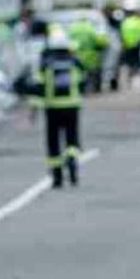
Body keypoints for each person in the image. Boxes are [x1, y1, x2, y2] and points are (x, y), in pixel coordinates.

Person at [30, 29, 84, 188]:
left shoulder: (46, 64)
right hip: (72, 106)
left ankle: (57, 177)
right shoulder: (75, 61)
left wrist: (33, 110)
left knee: (53, 142)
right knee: (72, 138)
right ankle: (72, 160)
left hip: (52, 108)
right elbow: (83, 81)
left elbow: (38, 88)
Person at [118, 10, 140, 86]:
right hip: (138, 45)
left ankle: (130, 76)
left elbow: (121, 32)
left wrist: (123, 42)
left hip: (127, 44)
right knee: (137, 62)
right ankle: (136, 76)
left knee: (129, 62)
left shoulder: (126, 21)